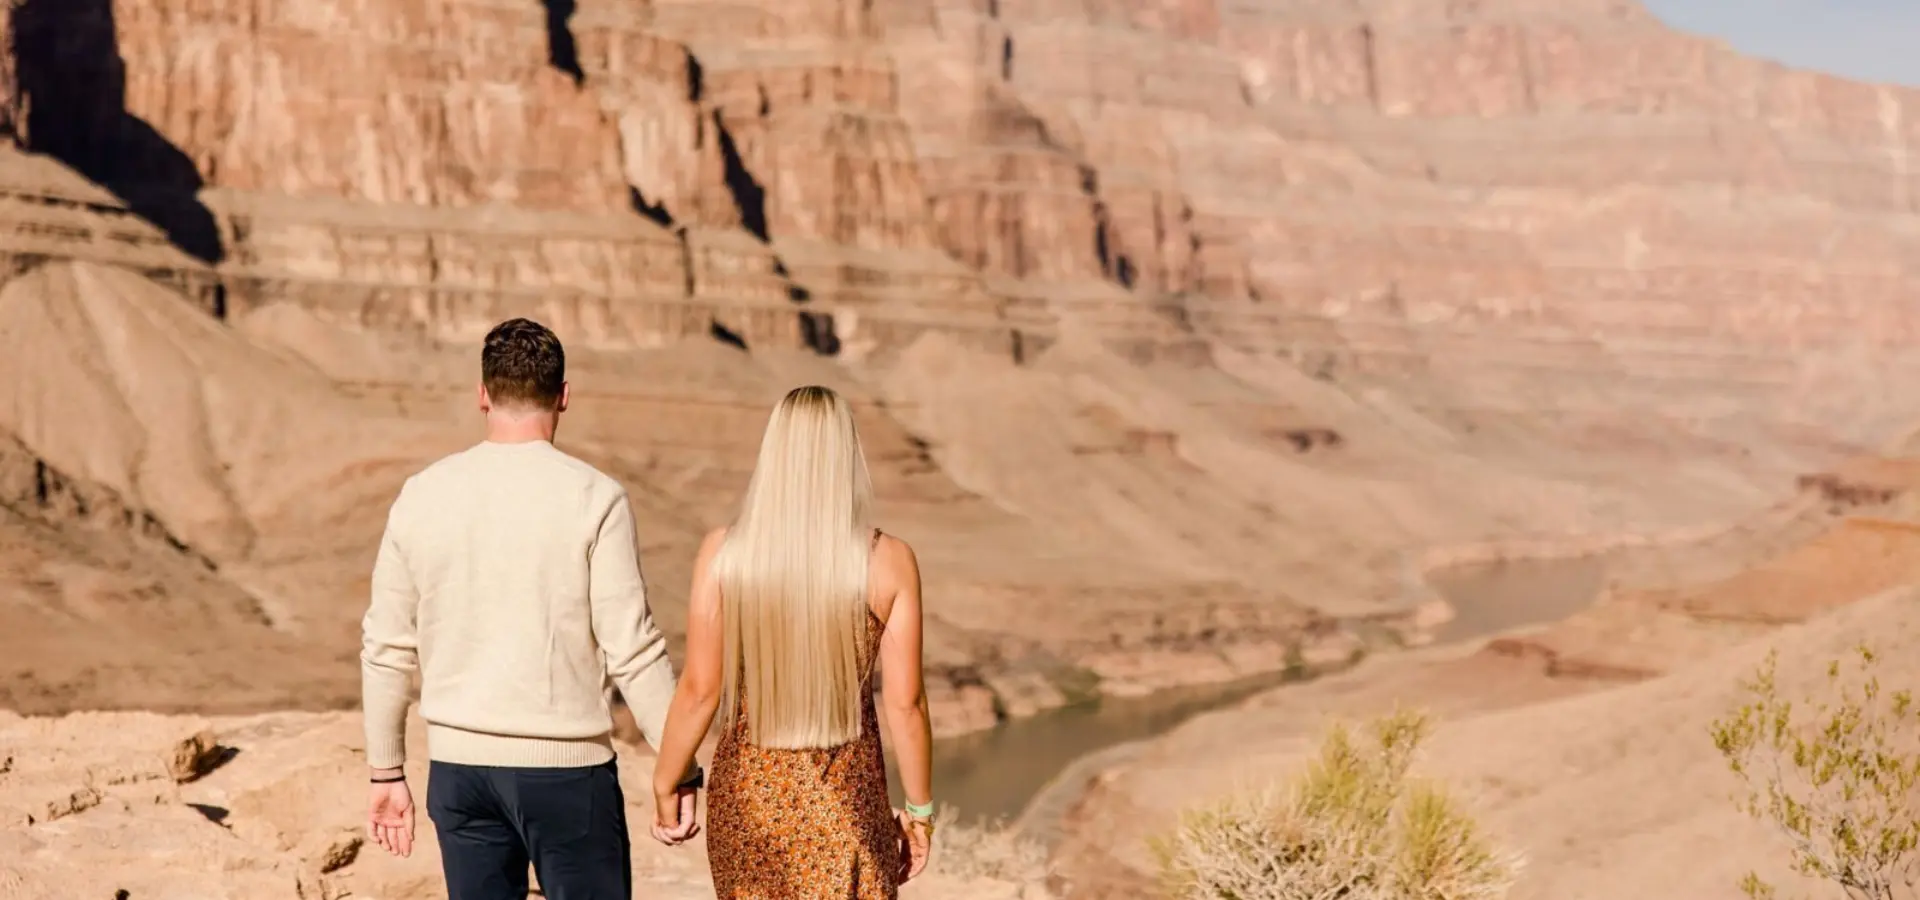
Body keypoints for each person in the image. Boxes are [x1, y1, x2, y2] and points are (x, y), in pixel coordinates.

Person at [359, 317, 702, 900]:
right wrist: (680, 768)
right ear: (564, 397)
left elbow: (386, 644)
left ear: (483, 396)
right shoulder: (595, 497)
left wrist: (386, 770)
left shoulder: (423, 493)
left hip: (458, 773)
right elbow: (633, 650)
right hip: (568, 773)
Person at [649, 385, 936, 897]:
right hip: (848, 804)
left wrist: (666, 780)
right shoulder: (889, 560)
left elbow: (698, 690)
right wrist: (919, 812)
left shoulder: (725, 553)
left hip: (749, 810)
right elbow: (906, 704)